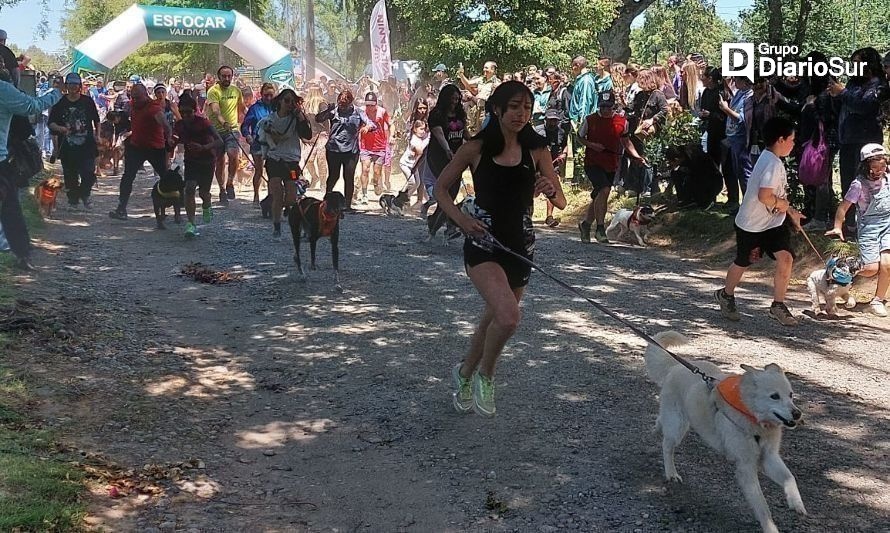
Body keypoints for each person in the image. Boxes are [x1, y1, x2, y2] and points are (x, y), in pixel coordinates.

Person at [434, 81, 566, 417]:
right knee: (508, 317)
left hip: (520, 246)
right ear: (497, 109)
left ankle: (463, 374)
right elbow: (440, 191)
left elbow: (561, 201)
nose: (522, 114)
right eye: (514, 107)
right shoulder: (476, 147)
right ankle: (486, 376)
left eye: (527, 107)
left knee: (492, 318)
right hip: (483, 243)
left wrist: (549, 188)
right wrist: (462, 222)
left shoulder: (537, 148)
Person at [715, 117, 804, 326]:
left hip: (773, 224)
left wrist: (790, 211)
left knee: (786, 258)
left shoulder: (772, 159)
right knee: (744, 261)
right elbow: (765, 196)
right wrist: (782, 204)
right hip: (751, 225)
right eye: (792, 139)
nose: (793, 144)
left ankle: (778, 305)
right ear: (781, 140)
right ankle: (726, 295)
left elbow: (777, 196)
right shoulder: (771, 163)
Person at [0, 65, 61, 270]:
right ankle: (22, 256)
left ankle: (22, 255)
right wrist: (55, 93)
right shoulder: (3, 89)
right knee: (10, 210)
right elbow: (33, 106)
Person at [828, 48, 888, 234]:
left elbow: (865, 106)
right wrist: (834, 95)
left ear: (868, 65)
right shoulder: (853, 83)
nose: (854, 67)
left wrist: (843, 92)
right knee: (848, 183)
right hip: (847, 140)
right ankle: (849, 225)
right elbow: (844, 104)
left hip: (866, 142)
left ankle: (870, 224)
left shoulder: (879, 85)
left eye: (857, 63)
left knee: (868, 183)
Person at [825, 143, 890, 316]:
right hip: (869, 227)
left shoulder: (888, 178)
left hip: (888, 224)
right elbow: (843, 207)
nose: (879, 171)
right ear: (865, 166)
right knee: (870, 269)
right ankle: (839, 267)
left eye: (882, 166)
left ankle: (877, 300)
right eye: (874, 167)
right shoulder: (858, 185)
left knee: (887, 263)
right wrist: (838, 227)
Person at [578, 90, 644, 243]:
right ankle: (600, 229)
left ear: (613, 106)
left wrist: (636, 156)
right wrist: (592, 145)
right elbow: (580, 137)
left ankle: (586, 224)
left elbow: (626, 142)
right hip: (592, 162)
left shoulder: (622, 122)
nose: (605, 110)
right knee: (604, 190)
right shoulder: (590, 120)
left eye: (608, 107)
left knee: (599, 195)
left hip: (611, 162)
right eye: (602, 107)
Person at [109, 83, 171, 220]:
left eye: (137, 98)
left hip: (154, 147)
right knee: (127, 176)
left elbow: (166, 125)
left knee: (165, 176)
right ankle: (121, 208)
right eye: (133, 97)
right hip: (136, 146)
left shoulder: (153, 108)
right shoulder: (132, 104)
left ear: (145, 95)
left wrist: (170, 139)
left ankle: (177, 202)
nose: (135, 100)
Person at [258, 89, 312, 239]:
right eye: (287, 100)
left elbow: (307, 134)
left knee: (291, 198)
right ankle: (277, 227)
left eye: (292, 101)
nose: (289, 104)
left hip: (292, 162)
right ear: (280, 101)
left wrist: (300, 115)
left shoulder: (296, 120)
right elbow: (261, 137)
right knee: (277, 194)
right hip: (274, 160)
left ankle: (291, 216)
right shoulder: (270, 119)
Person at [169, 93, 223, 238]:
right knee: (189, 189)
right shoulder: (179, 125)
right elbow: (174, 140)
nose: (186, 115)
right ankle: (191, 224)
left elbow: (219, 141)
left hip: (207, 160)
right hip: (191, 161)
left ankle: (207, 204)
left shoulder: (203, 123)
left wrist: (204, 147)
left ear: (195, 111)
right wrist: (169, 144)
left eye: (189, 112)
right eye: (183, 112)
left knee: (203, 193)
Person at [47, 72, 101, 210]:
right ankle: (73, 201)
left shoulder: (87, 101)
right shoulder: (60, 102)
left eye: (75, 85)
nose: (73, 87)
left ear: (80, 86)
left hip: (87, 144)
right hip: (67, 145)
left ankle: (84, 194)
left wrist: (98, 135)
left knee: (89, 173)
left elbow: (97, 120)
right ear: (66, 86)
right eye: (70, 84)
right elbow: (51, 123)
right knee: (70, 175)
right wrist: (61, 128)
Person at [422, 84, 469, 224]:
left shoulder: (460, 113)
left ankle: (436, 219)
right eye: (452, 99)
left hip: (456, 155)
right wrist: (447, 150)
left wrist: (475, 143)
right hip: (438, 156)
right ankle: (441, 219)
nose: (455, 102)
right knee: (445, 187)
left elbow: (464, 132)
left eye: (457, 99)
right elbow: (439, 134)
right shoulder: (436, 114)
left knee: (453, 191)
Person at [317, 89, 368, 213]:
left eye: (345, 105)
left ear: (351, 103)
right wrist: (328, 110)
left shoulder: (358, 112)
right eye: (340, 104)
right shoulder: (333, 111)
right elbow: (318, 119)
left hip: (351, 150)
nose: (342, 107)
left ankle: (347, 204)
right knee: (334, 175)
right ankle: (327, 200)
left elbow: (372, 124)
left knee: (349, 176)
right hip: (334, 148)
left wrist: (367, 127)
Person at [624, 69, 667, 197]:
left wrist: (652, 119)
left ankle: (649, 188)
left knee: (649, 159)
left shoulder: (658, 95)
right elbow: (633, 109)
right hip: (639, 132)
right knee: (638, 158)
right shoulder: (640, 95)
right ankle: (636, 187)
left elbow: (665, 110)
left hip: (652, 133)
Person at [206, 66, 245, 204]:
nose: (227, 79)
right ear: (219, 77)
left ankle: (230, 183)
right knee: (219, 161)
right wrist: (223, 122)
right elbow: (215, 110)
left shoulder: (236, 90)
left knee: (233, 155)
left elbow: (241, 109)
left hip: (232, 129)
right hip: (216, 131)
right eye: (224, 76)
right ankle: (222, 189)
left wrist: (245, 125)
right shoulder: (213, 91)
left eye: (229, 76)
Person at [720, 76, 754, 213]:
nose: (734, 82)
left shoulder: (749, 97)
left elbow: (741, 119)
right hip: (732, 137)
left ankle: (749, 208)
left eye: (737, 79)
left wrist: (725, 109)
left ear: (745, 81)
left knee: (744, 173)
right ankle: (739, 203)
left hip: (741, 139)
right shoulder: (739, 93)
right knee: (735, 172)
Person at [241, 82, 275, 205]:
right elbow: (245, 125)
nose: (269, 98)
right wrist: (247, 135)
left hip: (273, 143)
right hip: (257, 142)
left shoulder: (277, 107)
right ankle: (256, 195)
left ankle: (271, 196)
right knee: (259, 170)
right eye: (266, 95)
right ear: (261, 94)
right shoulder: (254, 108)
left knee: (273, 171)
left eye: (271, 95)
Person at [356, 92, 391, 203]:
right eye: (368, 105)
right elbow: (356, 125)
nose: (370, 108)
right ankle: (365, 194)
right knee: (365, 169)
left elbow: (390, 124)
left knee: (377, 172)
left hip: (379, 146)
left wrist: (391, 137)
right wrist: (362, 129)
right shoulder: (361, 111)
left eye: (372, 105)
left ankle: (376, 182)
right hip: (365, 146)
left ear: (376, 104)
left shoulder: (382, 111)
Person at [301, 85, 330, 191]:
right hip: (310, 135)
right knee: (307, 159)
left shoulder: (322, 103)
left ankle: (323, 183)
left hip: (322, 134)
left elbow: (326, 120)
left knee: (321, 159)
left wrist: (328, 133)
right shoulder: (305, 103)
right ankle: (315, 177)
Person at [397, 120, 429, 206]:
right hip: (406, 164)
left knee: (417, 183)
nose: (423, 131)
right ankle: (401, 197)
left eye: (424, 129)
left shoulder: (423, 139)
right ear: (415, 129)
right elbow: (419, 153)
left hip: (414, 166)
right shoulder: (414, 140)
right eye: (421, 129)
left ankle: (405, 198)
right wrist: (415, 167)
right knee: (412, 182)